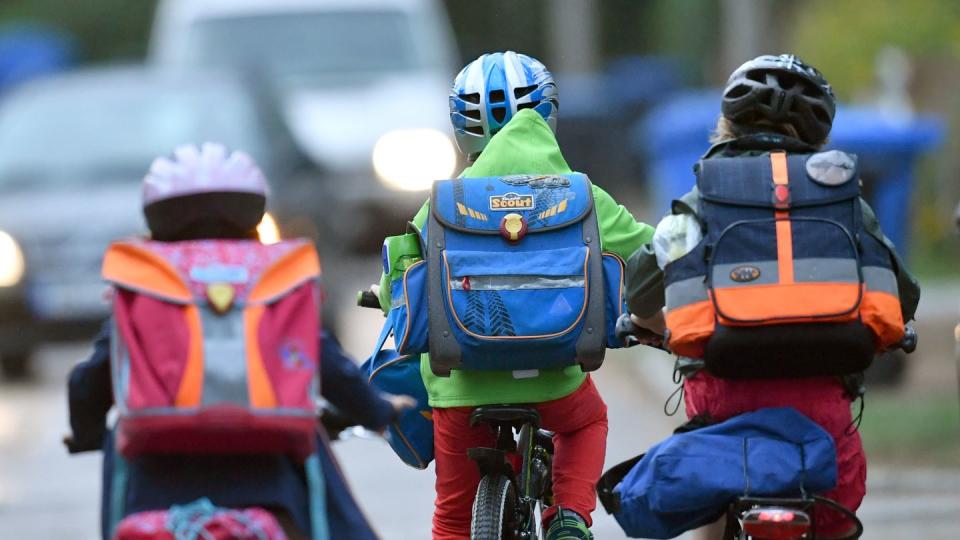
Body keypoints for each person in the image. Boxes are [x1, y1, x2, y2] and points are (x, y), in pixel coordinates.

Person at [624, 54, 921, 538]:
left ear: (726, 124)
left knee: (712, 506)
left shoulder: (706, 199)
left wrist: (648, 322)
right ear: (818, 136)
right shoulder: (845, 203)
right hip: (822, 413)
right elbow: (903, 294)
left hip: (722, 405)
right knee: (835, 520)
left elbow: (639, 284)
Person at [66, 143, 412, 540]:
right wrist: (377, 410)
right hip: (271, 484)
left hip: (155, 484)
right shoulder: (272, 275)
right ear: (253, 213)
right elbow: (321, 357)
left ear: (157, 218)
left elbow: (91, 379)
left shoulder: (146, 281)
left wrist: (86, 430)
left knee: (117, 442)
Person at [376, 51, 655, 540]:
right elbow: (648, 252)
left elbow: (396, 281)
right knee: (588, 422)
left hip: (461, 389)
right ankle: (568, 516)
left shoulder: (443, 202)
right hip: (554, 381)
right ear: (547, 113)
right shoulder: (582, 196)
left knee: (452, 518)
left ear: (464, 129)